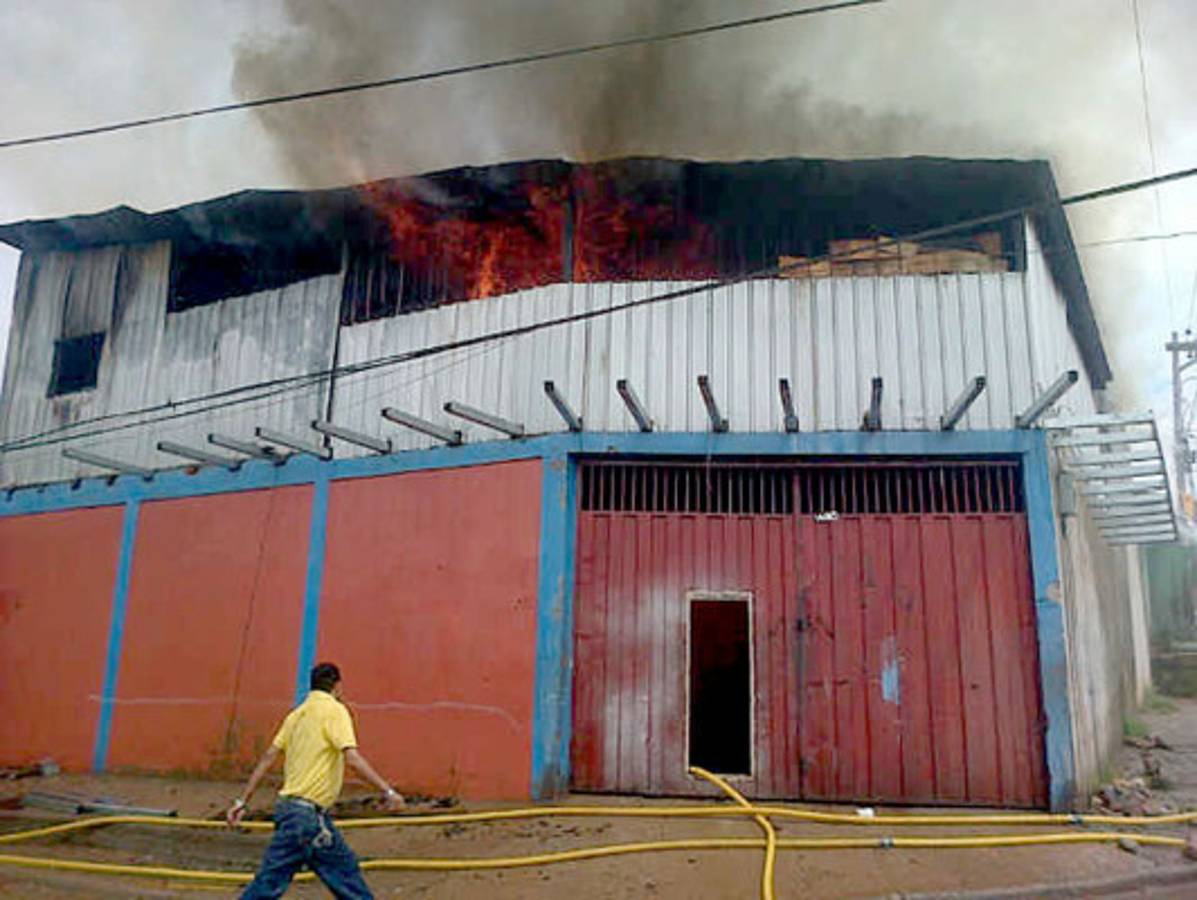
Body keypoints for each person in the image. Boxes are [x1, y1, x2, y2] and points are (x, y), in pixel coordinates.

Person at [226, 662, 405, 899]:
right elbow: (351, 757)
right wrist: (388, 791)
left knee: (271, 883)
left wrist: (241, 801)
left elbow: (269, 757)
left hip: (289, 812)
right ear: (337, 686)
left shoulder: (296, 715)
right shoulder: (335, 711)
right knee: (346, 878)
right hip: (309, 818)